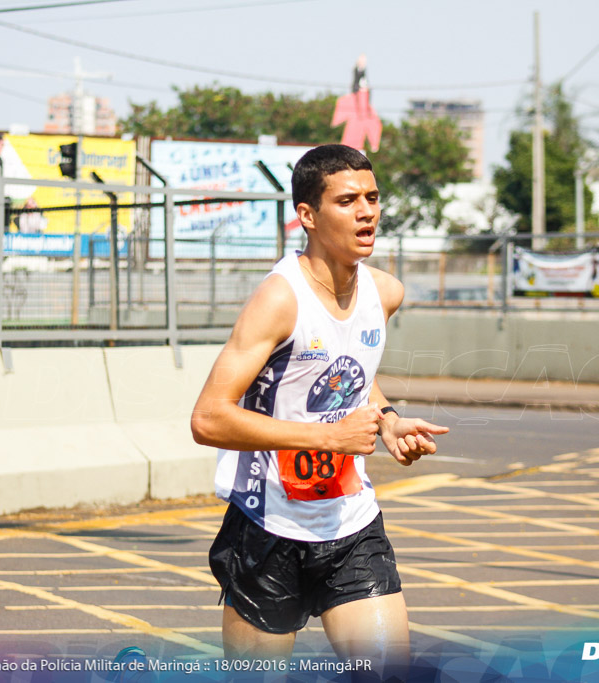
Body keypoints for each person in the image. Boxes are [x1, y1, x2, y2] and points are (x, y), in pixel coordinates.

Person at [191, 144, 449, 673]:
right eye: (348, 200)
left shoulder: (385, 292)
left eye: (373, 198)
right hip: (267, 529)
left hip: (350, 526)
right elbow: (209, 417)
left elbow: (349, 372)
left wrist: (389, 419)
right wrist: (328, 439)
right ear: (307, 215)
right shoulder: (280, 299)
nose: (367, 212)